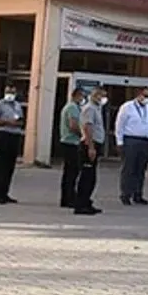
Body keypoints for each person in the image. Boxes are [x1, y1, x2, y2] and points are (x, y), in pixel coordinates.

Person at [115, 86, 148, 206]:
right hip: (131, 140)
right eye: (145, 95)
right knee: (129, 169)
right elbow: (119, 125)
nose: (147, 98)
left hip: (145, 141)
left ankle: (138, 194)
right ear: (139, 95)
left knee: (141, 170)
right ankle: (126, 194)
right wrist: (119, 142)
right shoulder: (127, 107)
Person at [0, 84, 26, 204]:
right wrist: (7, 122)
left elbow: (21, 121)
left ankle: (4, 193)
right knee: (0, 166)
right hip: (2, 136)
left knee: (9, 167)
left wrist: (17, 123)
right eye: (8, 92)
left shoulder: (17, 105)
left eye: (12, 92)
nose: (10, 94)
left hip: (14, 137)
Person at [72, 86, 106, 215]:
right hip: (89, 144)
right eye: (100, 95)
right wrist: (91, 147)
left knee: (91, 177)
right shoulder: (89, 108)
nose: (102, 98)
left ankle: (87, 202)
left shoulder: (97, 108)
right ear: (94, 95)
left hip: (95, 144)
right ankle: (81, 205)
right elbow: (87, 127)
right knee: (86, 176)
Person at [57, 87, 86, 208]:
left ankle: (67, 197)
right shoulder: (72, 107)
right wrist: (84, 135)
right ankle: (69, 198)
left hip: (70, 142)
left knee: (70, 172)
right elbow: (73, 125)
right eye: (82, 96)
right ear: (76, 96)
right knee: (71, 173)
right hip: (71, 142)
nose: (83, 99)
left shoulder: (74, 107)